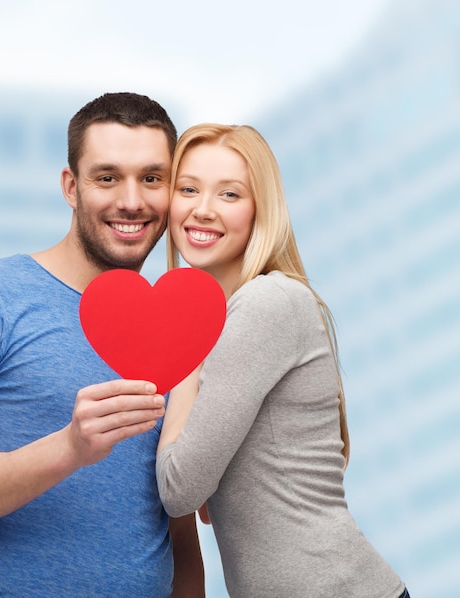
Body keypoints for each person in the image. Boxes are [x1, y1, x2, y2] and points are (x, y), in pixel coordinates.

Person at [0, 92, 205, 597]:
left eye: (152, 178)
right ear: (71, 186)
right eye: (107, 177)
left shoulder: (178, 330)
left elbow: (176, 525)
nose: (131, 200)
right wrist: (69, 449)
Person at [156, 124, 409, 598]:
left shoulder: (266, 303)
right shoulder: (236, 316)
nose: (203, 209)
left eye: (229, 194)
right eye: (188, 189)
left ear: (260, 210)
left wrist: (183, 356)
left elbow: (180, 490)